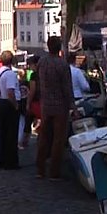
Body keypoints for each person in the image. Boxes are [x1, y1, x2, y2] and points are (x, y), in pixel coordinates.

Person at [35, 36, 75, 180]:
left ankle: (40, 169)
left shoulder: (42, 62)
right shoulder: (62, 64)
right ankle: (54, 171)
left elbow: (37, 82)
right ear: (59, 48)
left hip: (45, 105)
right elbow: (67, 87)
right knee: (58, 139)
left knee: (44, 137)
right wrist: (73, 106)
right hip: (60, 106)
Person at [0, 51, 20, 170]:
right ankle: (12, 162)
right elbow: (10, 92)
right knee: (11, 134)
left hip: (0, 102)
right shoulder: (10, 74)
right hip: (9, 104)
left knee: (3, 133)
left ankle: (3, 161)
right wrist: (16, 105)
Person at [20, 55, 42, 148]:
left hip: (35, 101)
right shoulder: (45, 73)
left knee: (28, 121)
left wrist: (28, 103)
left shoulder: (34, 75)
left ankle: (24, 142)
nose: (29, 67)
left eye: (31, 65)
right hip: (44, 101)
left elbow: (32, 90)